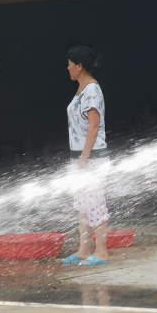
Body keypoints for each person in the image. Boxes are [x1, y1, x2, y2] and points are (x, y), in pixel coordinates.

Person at [62, 45, 110, 267]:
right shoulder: (81, 89)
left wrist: (84, 157)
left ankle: (101, 252)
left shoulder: (92, 90)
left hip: (91, 159)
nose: (68, 68)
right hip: (79, 158)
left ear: (79, 66)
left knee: (96, 204)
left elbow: (94, 126)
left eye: (70, 64)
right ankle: (83, 249)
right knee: (82, 205)